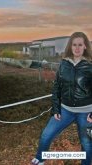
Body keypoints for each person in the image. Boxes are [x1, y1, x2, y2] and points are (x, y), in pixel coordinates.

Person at [32, 32, 92, 165]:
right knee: (46, 134)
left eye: (80, 45)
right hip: (65, 110)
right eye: (74, 45)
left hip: (86, 112)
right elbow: (57, 88)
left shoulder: (90, 65)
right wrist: (56, 108)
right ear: (70, 46)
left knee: (86, 143)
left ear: (85, 47)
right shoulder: (64, 64)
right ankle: (40, 159)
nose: (77, 48)